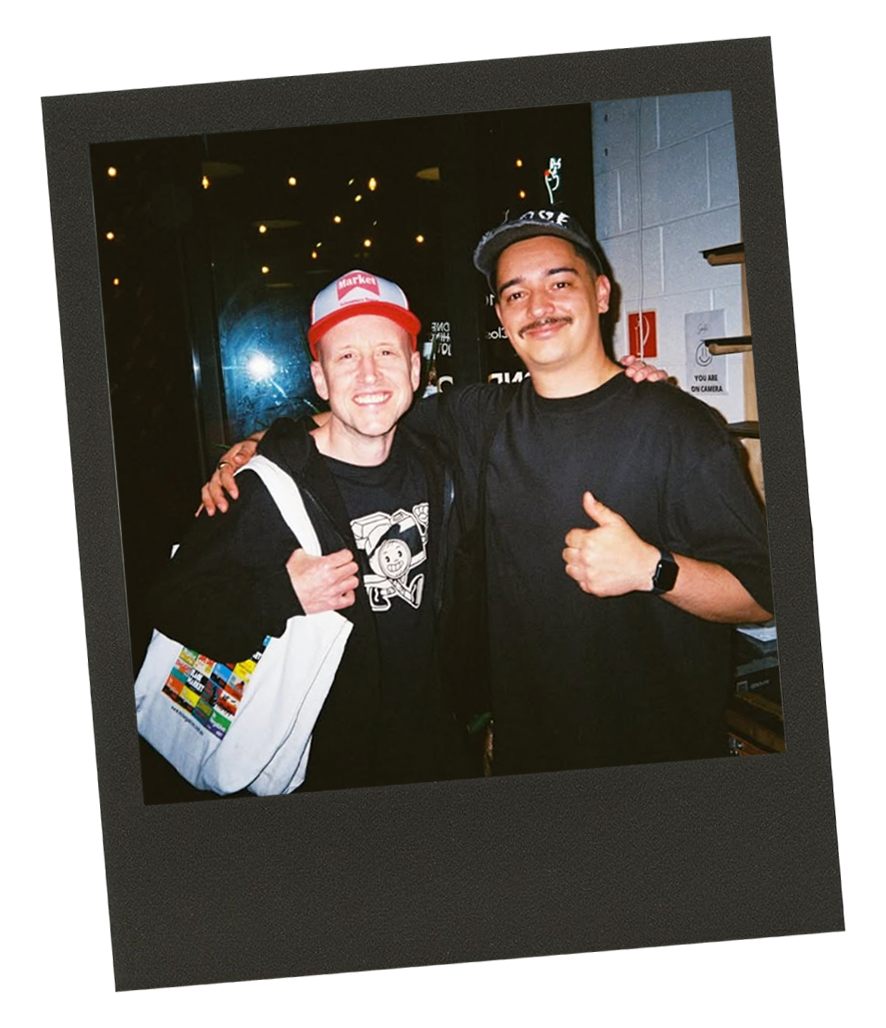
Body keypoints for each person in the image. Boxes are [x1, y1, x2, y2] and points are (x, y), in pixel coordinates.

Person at [205, 209, 771, 776]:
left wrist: (654, 570)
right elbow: (370, 408)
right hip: (525, 755)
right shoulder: (481, 418)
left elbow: (768, 593)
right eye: (515, 293)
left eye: (559, 283)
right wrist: (262, 442)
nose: (539, 306)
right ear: (500, 314)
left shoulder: (680, 427)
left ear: (601, 293)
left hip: (657, 754)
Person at [147, 269, 473, 791]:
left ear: (415, 368)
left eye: (386, 353)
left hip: (432, 748)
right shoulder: (263, 485)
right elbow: (169, 602)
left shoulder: (441, 466)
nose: (369, 375)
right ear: (320, 379)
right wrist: (282, 594)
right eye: (346, 357)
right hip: (318, 766)